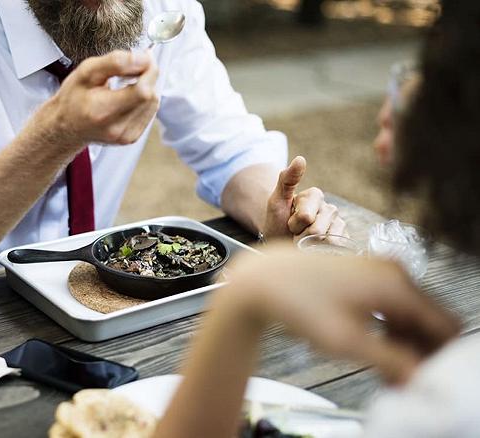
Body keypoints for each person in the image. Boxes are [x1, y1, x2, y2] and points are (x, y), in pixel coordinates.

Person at [0, 0, 345, 295]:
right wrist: (54, 135)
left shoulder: (164, 11)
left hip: (93, 303)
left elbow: (229, 149)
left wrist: (273, 210)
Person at [155, 0, 480, 436]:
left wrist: (244, 299)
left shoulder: (439, 409)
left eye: (425, 71)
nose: (388, 120)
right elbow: (227, 149)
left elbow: (225, 144)